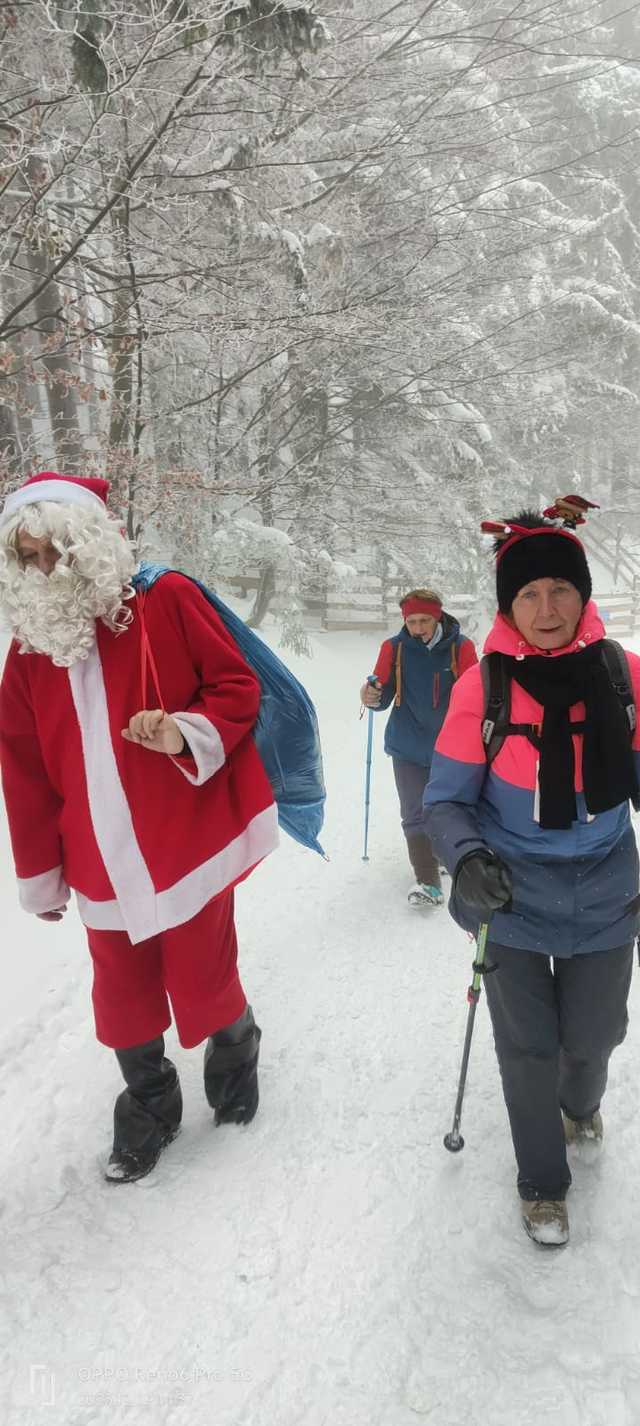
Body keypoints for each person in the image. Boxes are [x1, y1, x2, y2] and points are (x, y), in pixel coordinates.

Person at [0, 472, 280, 1183]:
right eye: (26, 558)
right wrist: (41, 870)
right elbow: (24, 769)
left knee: (202, 971)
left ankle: (235, 1045)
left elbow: (236, 689)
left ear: (87, 542)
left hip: (182, 836)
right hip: (94, 853)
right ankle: (150, 1103)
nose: (41, 571)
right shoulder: (31, 648)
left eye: (51, 552)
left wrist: (184, 734)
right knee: (121, 990)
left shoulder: (166, 602)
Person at [424, 503, 640, 1246]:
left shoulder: (623, 675)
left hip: (608, 887)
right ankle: (543, 1186)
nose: (546, 609)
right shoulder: (481, 689)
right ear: (507, 607)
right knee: (527, 1048)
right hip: (509, 895)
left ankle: (580, 1104)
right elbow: (446, 802)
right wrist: (468, 858)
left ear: (583, 596)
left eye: (560, 590)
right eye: (528, 595)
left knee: (595, 1036)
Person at [360, 588, 477, 906]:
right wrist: (370, 694)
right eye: (412, 621)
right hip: (407, 745)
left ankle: (449, 858)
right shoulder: (394, 648)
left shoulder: (461, 648)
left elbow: (474, 696)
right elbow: (381, 697)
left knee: (450, 810)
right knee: (414, 812)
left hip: (451, 748)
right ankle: (427, 882)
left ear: (437, 616)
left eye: (424, 620)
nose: (418, 628)